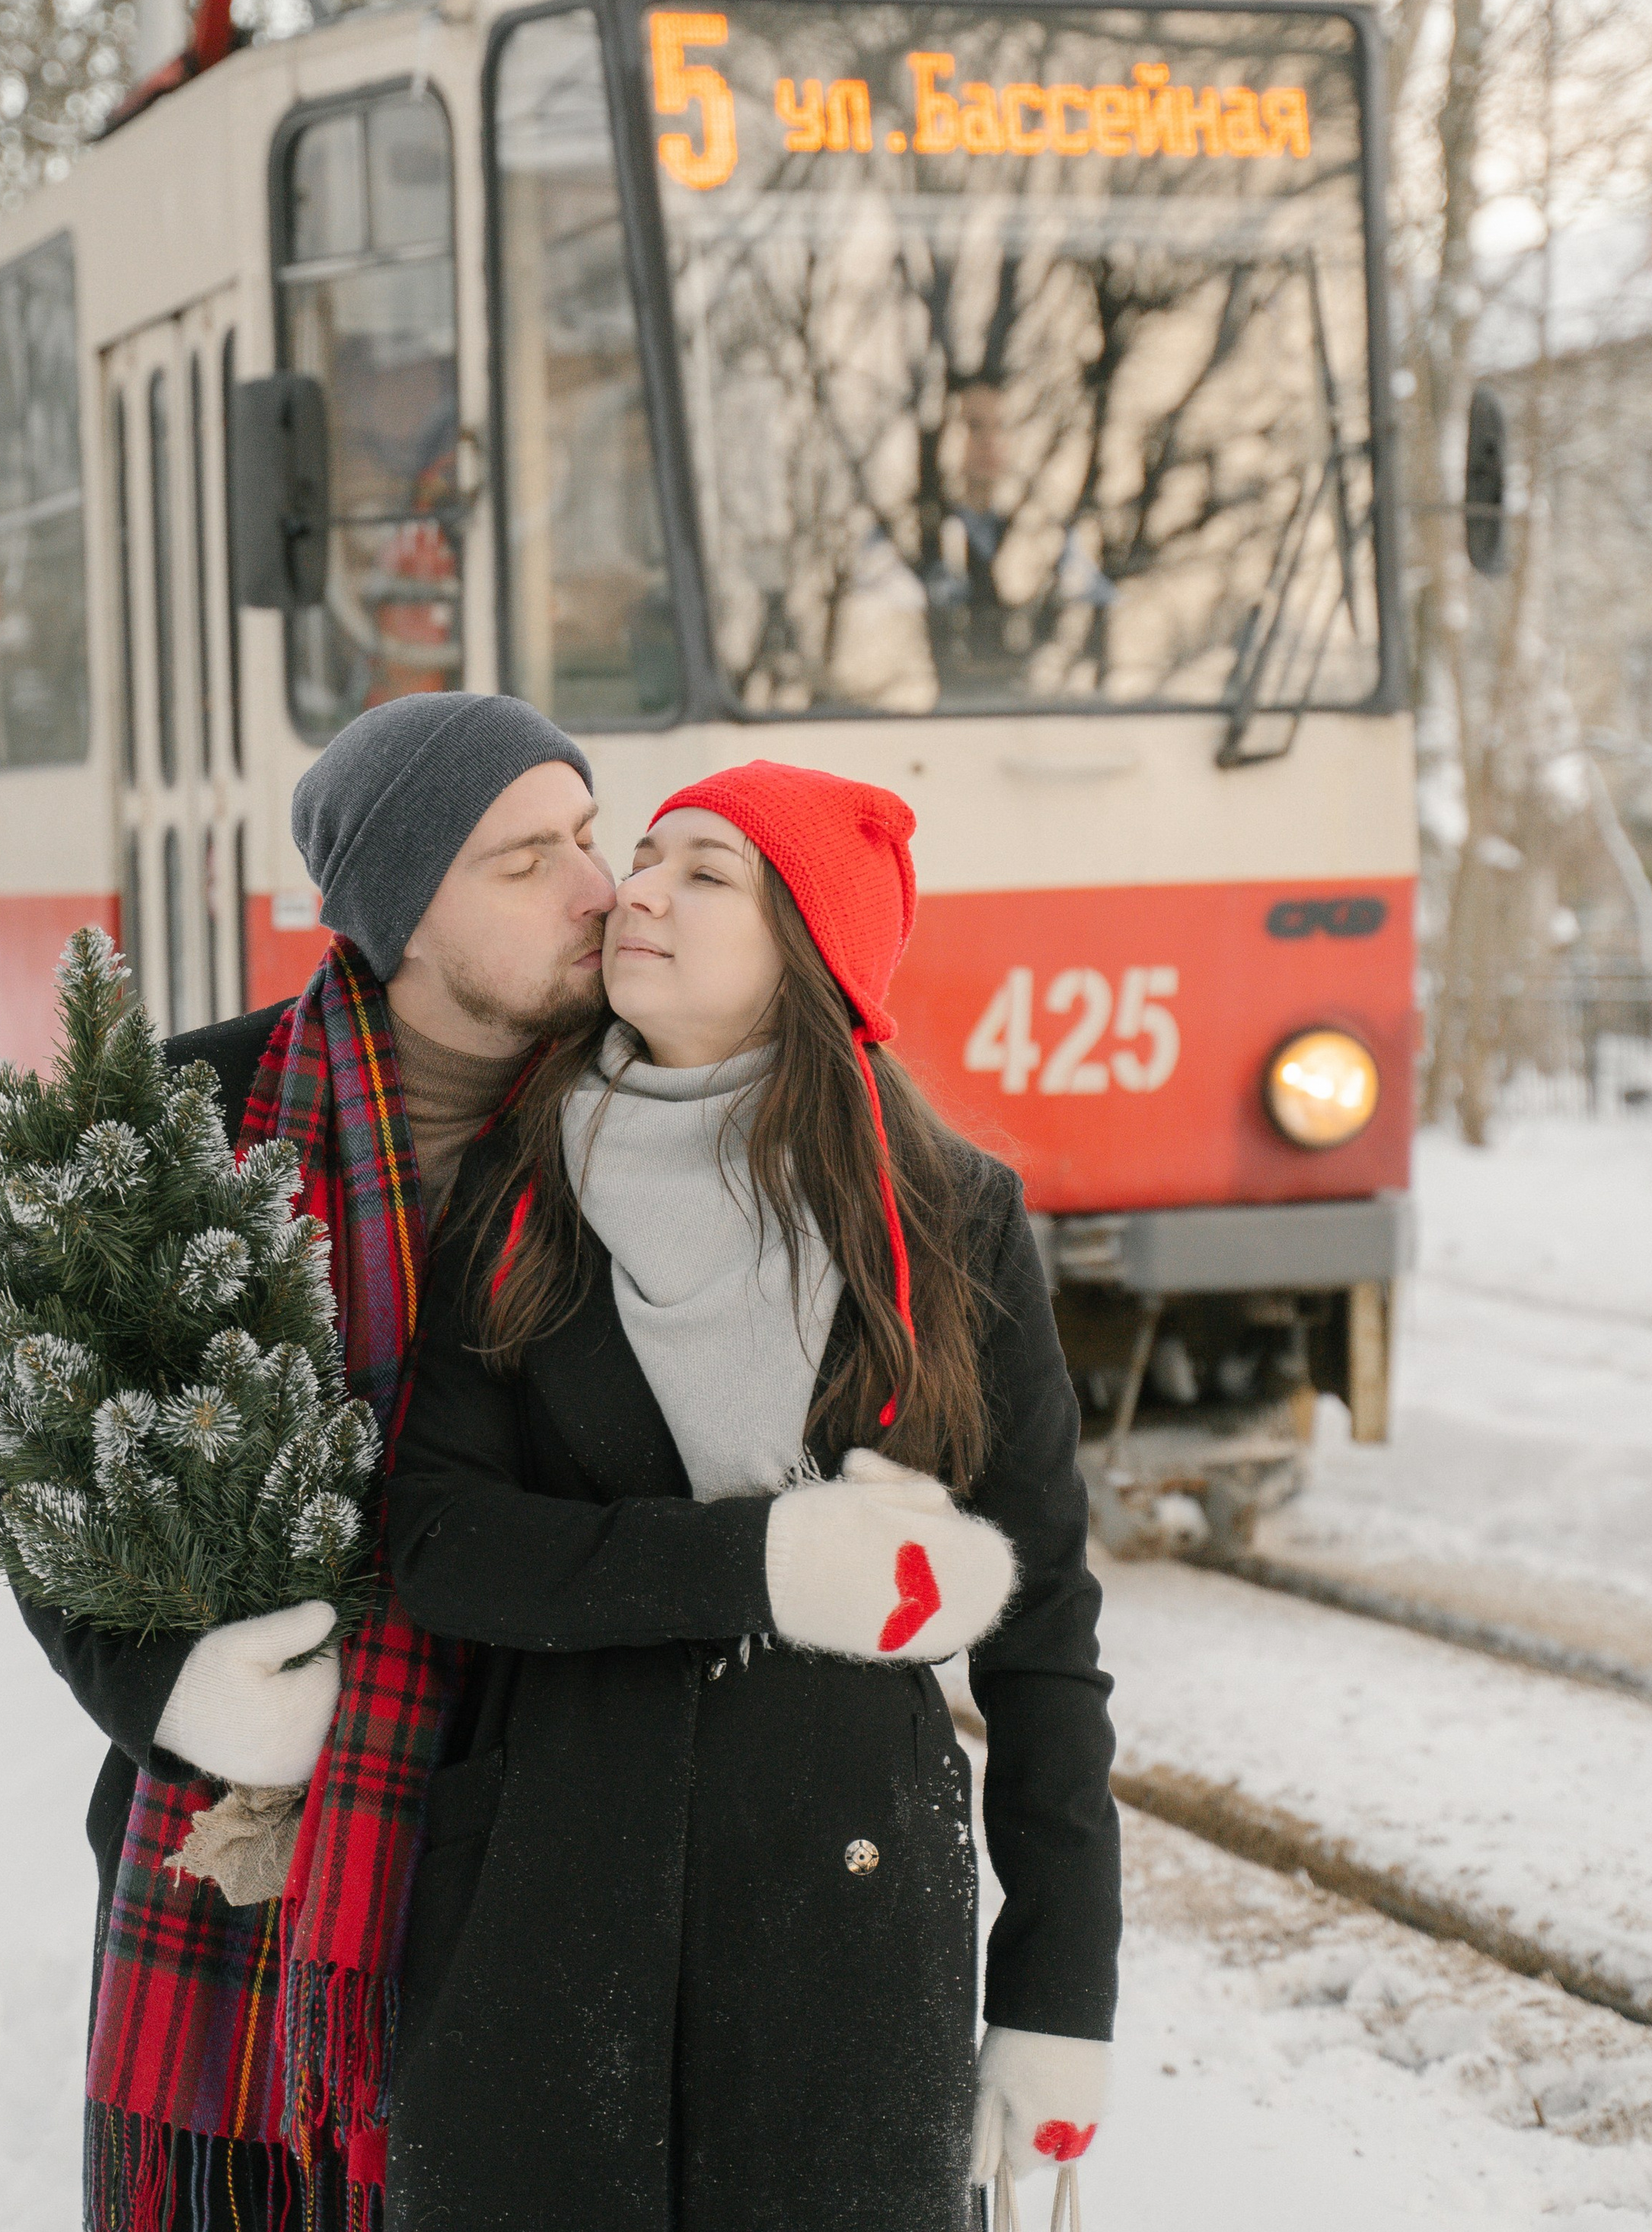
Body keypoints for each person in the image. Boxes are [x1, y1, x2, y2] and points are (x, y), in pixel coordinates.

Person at [382, 759, 1121, 2232]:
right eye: (645, 854)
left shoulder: (947, 1213)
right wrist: (758, 1563)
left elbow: (1043, 1629)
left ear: (809, 948)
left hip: (846, 1944)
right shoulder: (519, 1185)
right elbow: (439, 1540)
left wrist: (1058, 1989)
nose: (635, 890)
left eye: (703, 872)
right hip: (543, 1921)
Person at [4, 690, 617, 2232]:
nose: (598, 889)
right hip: (246, 1861)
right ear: (402, 910)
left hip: (561, 1842)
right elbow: (50, 1474)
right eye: (527, 859)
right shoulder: (183, 1125)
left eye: (588, 836)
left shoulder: (649, 1117)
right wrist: (169, 1691)